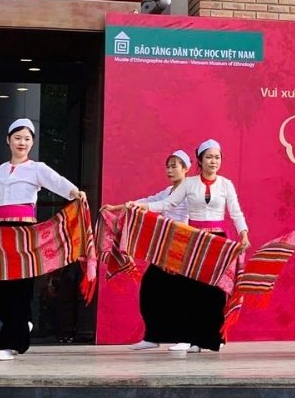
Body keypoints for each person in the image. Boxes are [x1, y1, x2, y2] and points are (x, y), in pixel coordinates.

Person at [0, 118, 87, 360]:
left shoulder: (37, 168)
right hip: (1, 234)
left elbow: (58, 183)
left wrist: (75, 193)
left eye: (27, 139)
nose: (22, 142)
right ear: (8, 140)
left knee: (19, 289)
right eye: (17, 138)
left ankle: (11, 345)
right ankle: (21, 324)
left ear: (32, 142)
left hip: (26, 234)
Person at [131, 139, 249, 352]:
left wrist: (244, 234)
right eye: (209, 157)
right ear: (200, 160)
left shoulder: (226, 184)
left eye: (217, 157)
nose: (213, 161)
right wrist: (142, 206)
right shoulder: (189, 183)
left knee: (213, 291)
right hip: (194, 239)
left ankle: (209, 340)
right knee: (191, 290)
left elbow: (236, 212)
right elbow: (167, 204)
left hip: (218, 240)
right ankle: (190, 338)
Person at [102, 150, 192, 350]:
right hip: (164, 247)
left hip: (180, 246)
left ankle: (185, 338)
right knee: (151, 290)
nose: (170, 170)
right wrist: (116, 207)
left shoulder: (190, 192)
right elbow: (146, 201)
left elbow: (158, 207)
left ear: (186, 169)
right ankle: (153, 336)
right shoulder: (167, 191)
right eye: (168, 166)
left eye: (174, 166)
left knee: (181, 294)